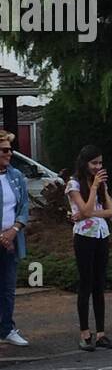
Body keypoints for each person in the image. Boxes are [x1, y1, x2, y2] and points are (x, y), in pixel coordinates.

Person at [66, 145, 112, 351]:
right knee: (86, 283)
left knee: (99, 284)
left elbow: (110, 212)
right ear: (85, 163)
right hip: (84, 236)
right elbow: (86, 209)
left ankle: (101, 333)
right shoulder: (74, 184)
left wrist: (100, 191)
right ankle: (84, 333)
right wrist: (93, 190)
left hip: (101, 234)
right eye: (94, 163)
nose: (98, 167)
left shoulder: (101, 184)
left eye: (100, 163)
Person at [0, 130, 30, 347]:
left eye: (9, 150)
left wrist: (14, 230)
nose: (9, 154)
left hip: (11, 239)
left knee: (8, 287)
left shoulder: (16, 176)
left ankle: (7, 329)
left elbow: (24, 206)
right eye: (4, 150)